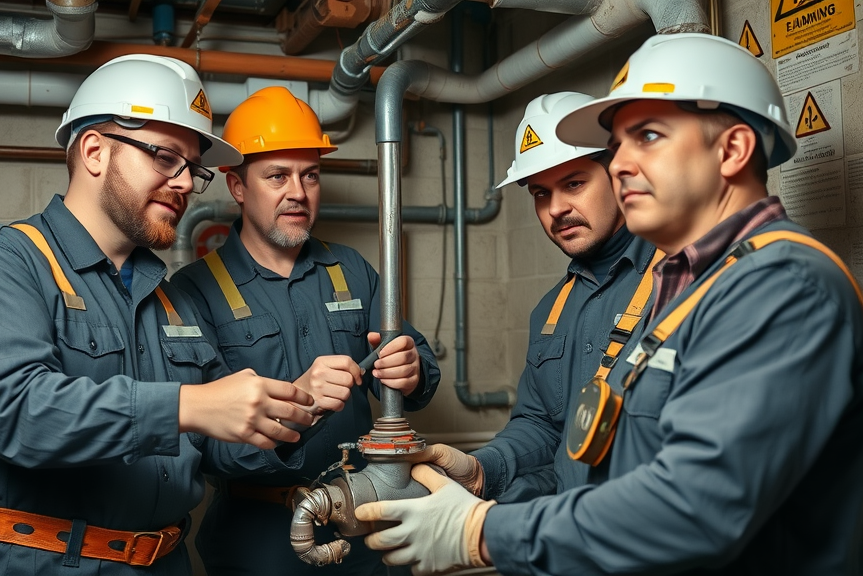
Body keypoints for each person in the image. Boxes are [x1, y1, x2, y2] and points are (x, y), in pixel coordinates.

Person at [357, 32, 863, 576]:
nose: (621, 164)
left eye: (648, 136)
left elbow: (696, 508)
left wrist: (484, 532)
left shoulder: (780, 287)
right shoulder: (691, 285)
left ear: (733, 150)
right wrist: (486, 472)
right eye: (619, 144)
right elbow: (588, 446)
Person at [0, 55, 316, 576]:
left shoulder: (173, 300)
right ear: (94, 151)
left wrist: (293, 409)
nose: (184, 184)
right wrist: (186, 405)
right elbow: (20, 414)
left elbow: (216, 446)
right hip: (35, 564)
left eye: (193, 170)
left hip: (165, 562)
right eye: (165, 157)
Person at [170, 86, 441, 576]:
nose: (298, 191)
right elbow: (205, 444)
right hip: (259, 542)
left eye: (310, 175)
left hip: (363, 526)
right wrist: (301, 402)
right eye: (278, 175)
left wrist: (412, 369)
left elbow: (415, 365)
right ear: (237, 187)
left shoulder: (351, 270)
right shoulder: (193, 291)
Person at [411, 91, 661, 505]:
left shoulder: (682, 280)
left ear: (619, 173)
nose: (556, 208)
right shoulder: (550, 312)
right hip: (571, 528)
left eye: (574, 183)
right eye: (540, 193)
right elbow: (543, 425)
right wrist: (481, 471)